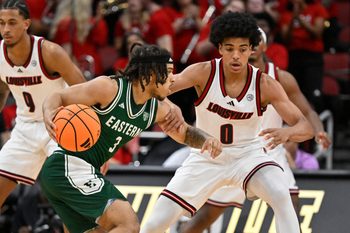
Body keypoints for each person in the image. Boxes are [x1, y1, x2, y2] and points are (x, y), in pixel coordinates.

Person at [141, 12, 314, 233]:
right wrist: (167, 104)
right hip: (206, 157)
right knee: (155, 222)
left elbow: (305, 126)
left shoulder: (264, 84)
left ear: (252, 49)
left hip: (248, 156)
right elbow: (157, 89)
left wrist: (287, 133)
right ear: (220, 48)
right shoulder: (203, 72)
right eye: (230, 48)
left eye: (242, 49)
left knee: (282, 194)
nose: (236, 56)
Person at [39, 44, 222, 233]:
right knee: (128, 224)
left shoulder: (156, 109)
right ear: (151, 74)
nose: (172, 78)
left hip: (82, 171)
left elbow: (184, 132)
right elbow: (58, 96)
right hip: (68, 166)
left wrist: (206, 139)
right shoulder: (109, 88)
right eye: (167, 72)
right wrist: (49, 112)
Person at [177, 28, 331, 233]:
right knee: (206, 216)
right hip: (233, 152)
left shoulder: (279, 78)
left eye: (255, 42)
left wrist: (318, 130)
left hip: (269, 151)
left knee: (290, 204)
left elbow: (306, 112)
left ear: (263, 46)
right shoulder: (223, 73)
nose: (252, 46)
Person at [0, 0, 86, 208]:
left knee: (71, 201)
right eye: (1, 23)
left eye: (12, 22)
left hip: (61, 125)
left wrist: (96, 143)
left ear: (26, 24)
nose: (6, 29)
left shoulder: (50, 52)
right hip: (25, 129)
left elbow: (86, 90)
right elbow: (2, 92)